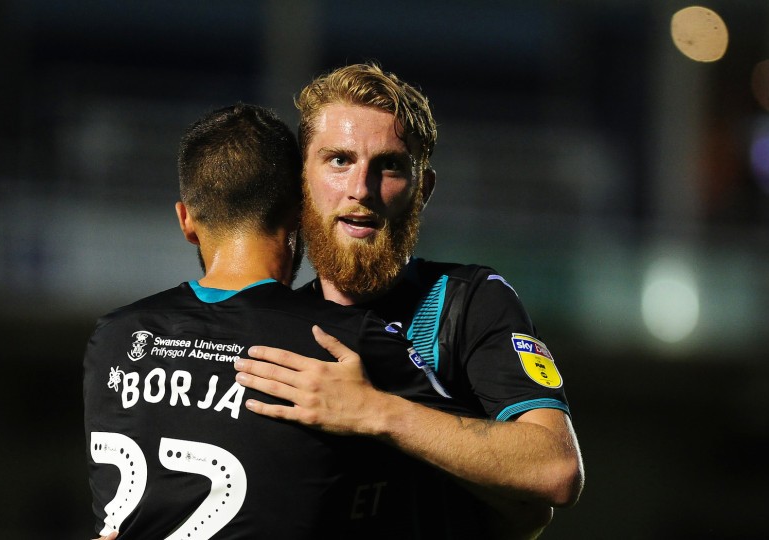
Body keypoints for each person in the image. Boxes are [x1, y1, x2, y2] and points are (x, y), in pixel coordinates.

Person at [83, 103, 477, 539]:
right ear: (301, 210)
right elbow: (508, 474)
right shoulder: (342, 341)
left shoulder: (114, 337)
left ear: (186, 221)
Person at [233, 63, 585, 539]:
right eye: (339, 160)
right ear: (302, 181)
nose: (361, 188)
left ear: (424, 189)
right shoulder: (275, 329)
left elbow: (555, 468)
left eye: (390, 165)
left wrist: (374, 411)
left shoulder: (468, 301)